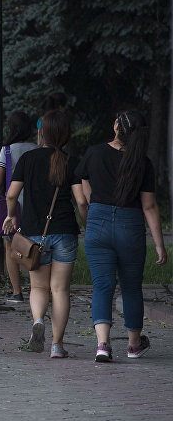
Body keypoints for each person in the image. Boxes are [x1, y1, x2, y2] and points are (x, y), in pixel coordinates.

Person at [76, 110, 167, 362]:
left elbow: (84, 190)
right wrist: (160, 245)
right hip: (131, 227)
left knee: (102, 287)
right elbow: (149, 206)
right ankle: (134, 345)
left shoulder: (94, 153)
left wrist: (93, 213)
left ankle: (103, 345)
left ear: (116, 126)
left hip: (98, 222)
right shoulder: (143, 163)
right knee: (131, 288)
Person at [2, 110, 87, 358]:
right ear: (65, 134)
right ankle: (57, 346)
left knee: (38, 288)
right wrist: (86, 223)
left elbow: (11, 194)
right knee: (60, 290)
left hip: (33, 235)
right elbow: (81, 201)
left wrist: (11, 216)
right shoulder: (70, 161)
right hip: (65, 232)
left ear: (42, 132)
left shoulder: (28, 159)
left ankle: (38, 321)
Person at [0, 112, 39, 302]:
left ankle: (16, 292)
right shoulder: (38, 149)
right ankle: (39, 289)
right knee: (36, 245)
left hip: (14, 208)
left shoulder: (8, 151)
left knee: (11, 247)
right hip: (36, 205)